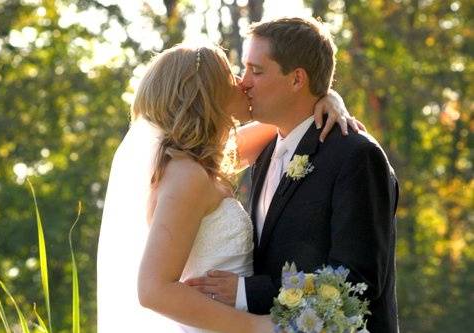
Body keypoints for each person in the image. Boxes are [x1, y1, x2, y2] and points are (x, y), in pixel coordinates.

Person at [96, 42, 360, 332]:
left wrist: (329, 97)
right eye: (230, 77)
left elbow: (289, 120)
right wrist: (255, 327)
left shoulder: (198, 165)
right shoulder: (188, 176)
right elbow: (152, 290)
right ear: (208, 94)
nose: (242, 83)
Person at [186, 17, 399, 333]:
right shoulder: (267, 149)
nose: (243, 82)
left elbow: (357, 281)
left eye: (256, 71)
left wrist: (246, 292)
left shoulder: (356, 156)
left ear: (298, 79)